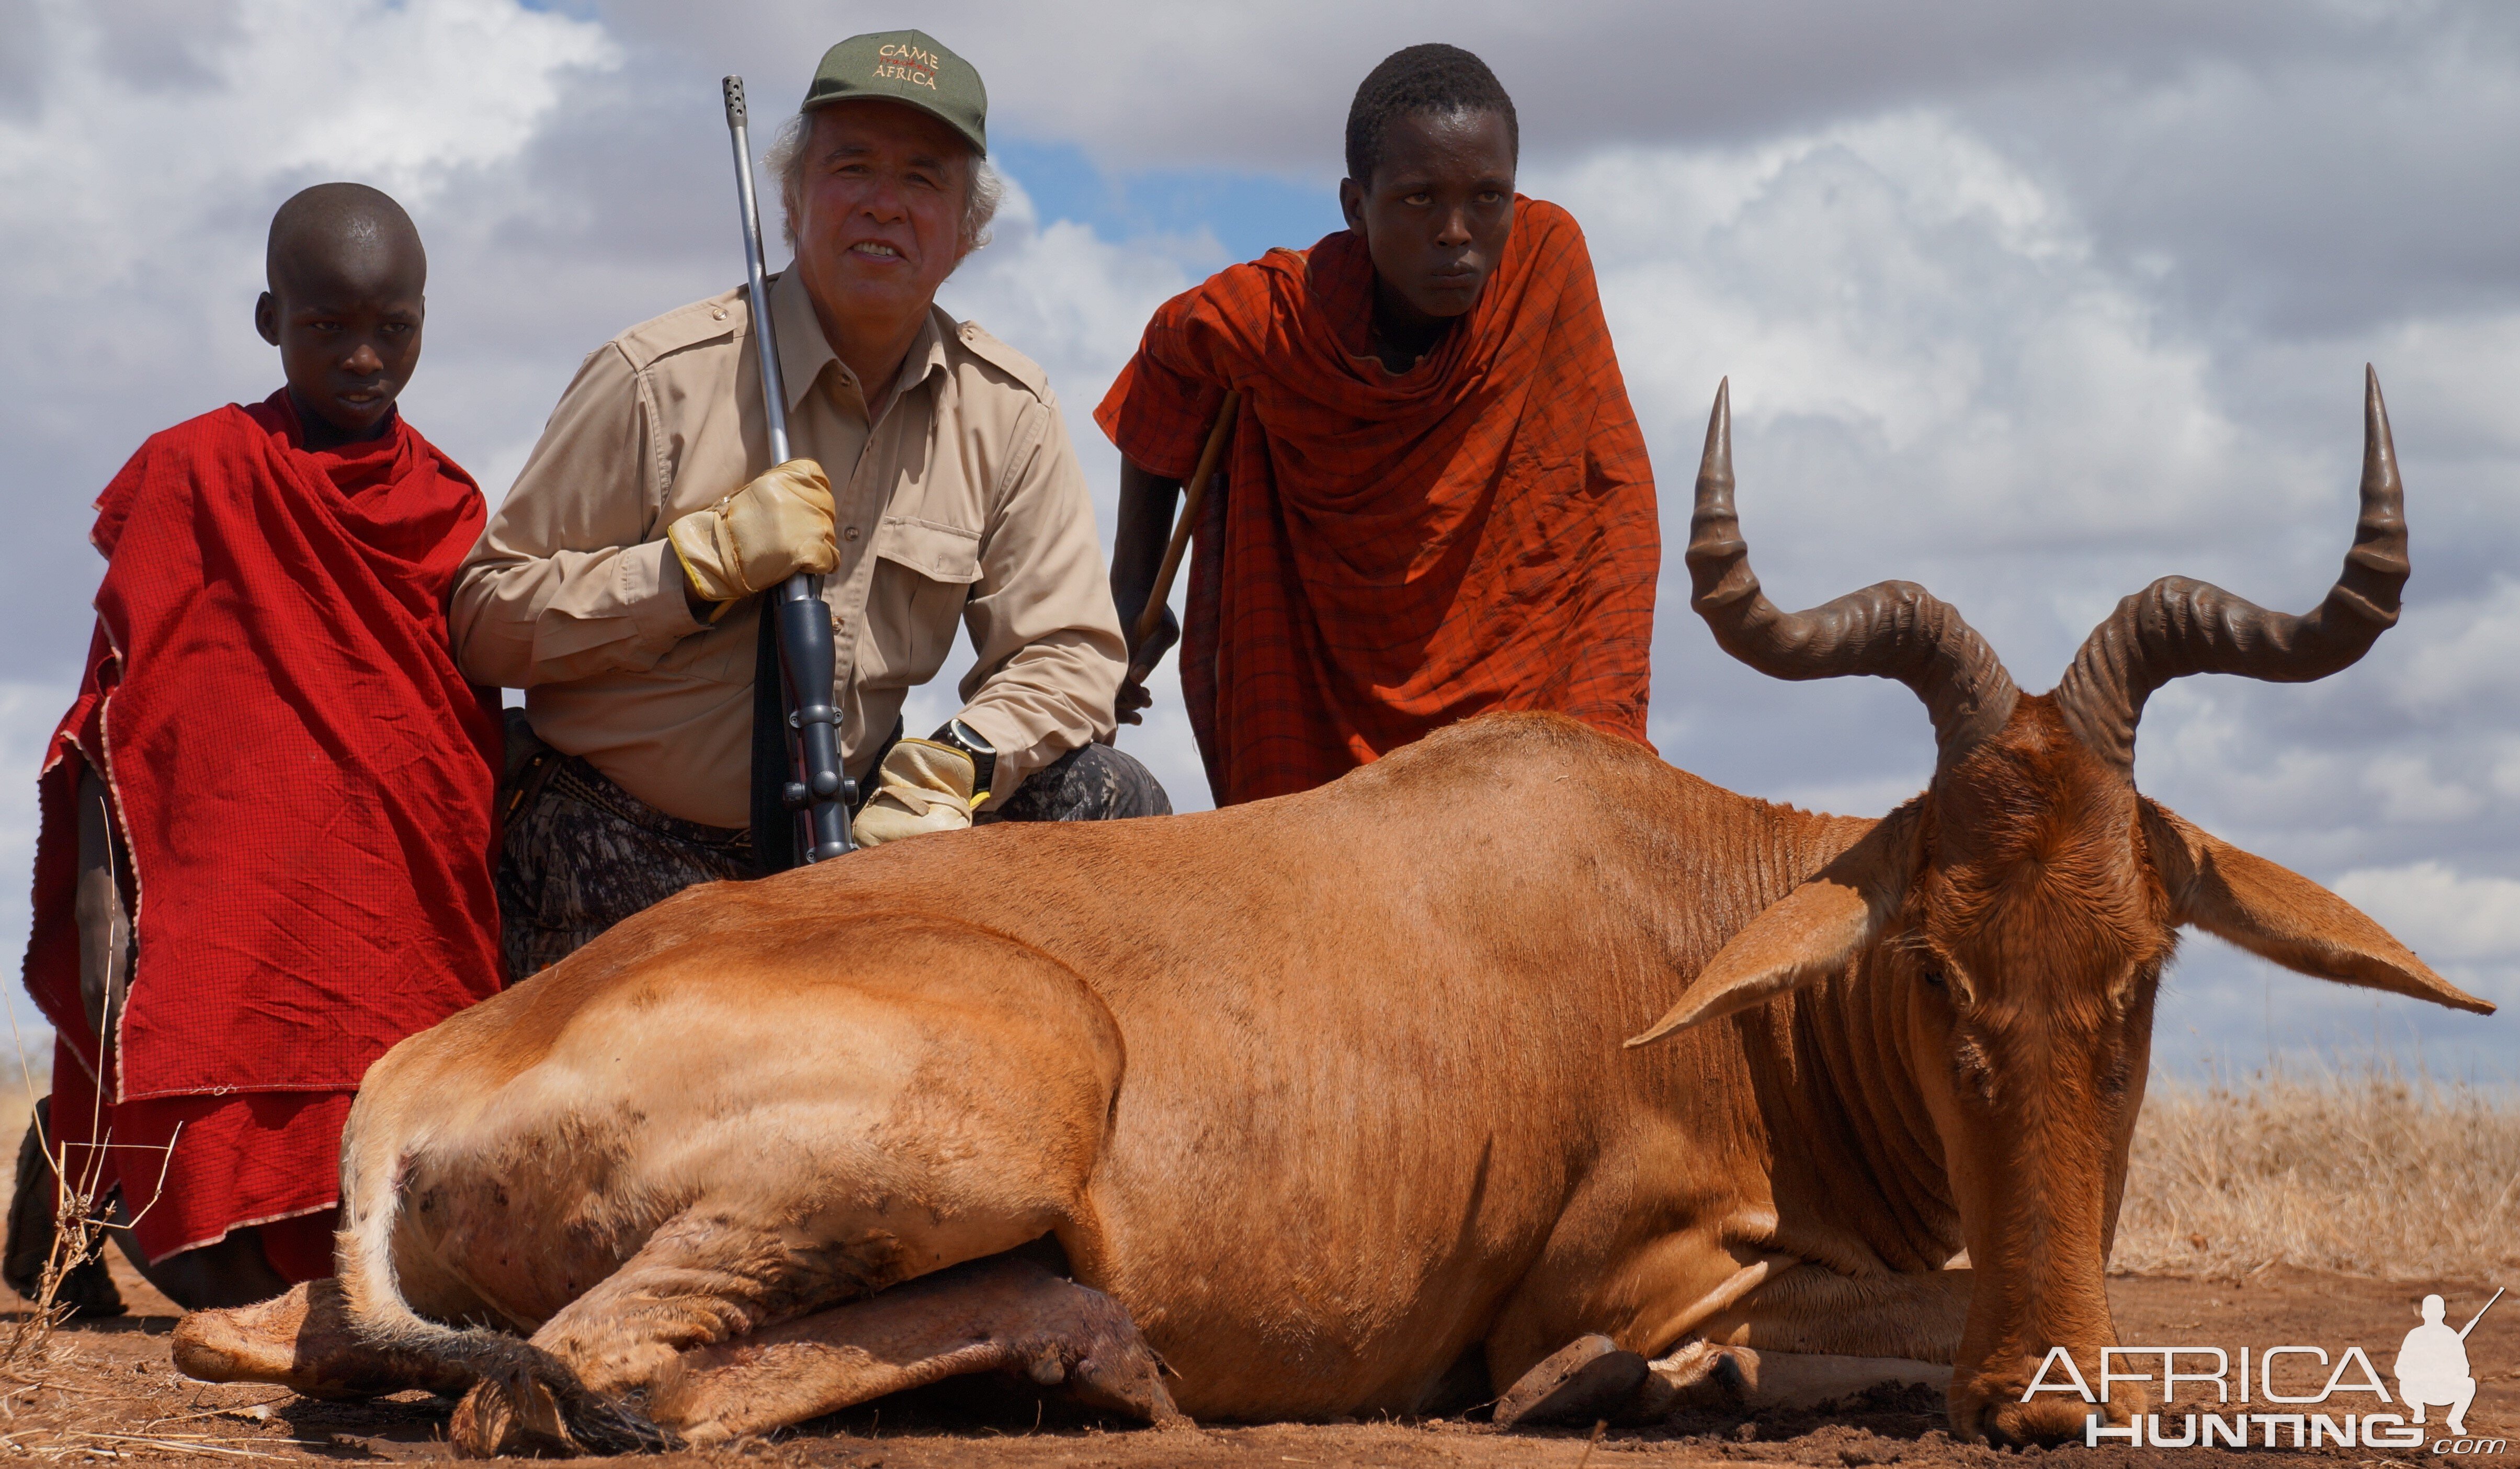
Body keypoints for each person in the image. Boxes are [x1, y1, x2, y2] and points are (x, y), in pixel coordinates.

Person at [454, 30, 1165, 980]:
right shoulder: (653, 379)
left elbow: (1073, 656)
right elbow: (485, 623)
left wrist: (956, 762)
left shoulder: (1010, 410)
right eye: (851, 166)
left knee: (1110, 797)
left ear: (968, 230)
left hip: (855, 842)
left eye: (922, 178)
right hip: (624, 839)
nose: (883, 201)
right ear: (792, 201)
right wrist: (689, 570)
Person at [7, 185, 504, 1313]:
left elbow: (452, 720)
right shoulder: (194, 473)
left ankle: (72, 1151)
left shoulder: (449, 507)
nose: (368, 358)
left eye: (397, 326)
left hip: (396, 901)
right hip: (228, 892)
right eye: (330, 327)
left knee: (398, 1243)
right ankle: (69, 1165)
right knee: (216, 1278)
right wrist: (97, 885)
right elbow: (113, 702)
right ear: (269, 319)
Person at [1099, 44, 1661, 806]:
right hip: (1311, 690)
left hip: (1518, 702)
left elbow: (1607, 498)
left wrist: (1602, 728)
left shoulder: (1544, 268)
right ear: (1353, 206)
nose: (1457, 232)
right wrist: (1134, 584)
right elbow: (1169, 351)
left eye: (1489, 198)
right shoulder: (1286, 319)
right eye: (1418, 199)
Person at [2395, 1293, 2478, 1436]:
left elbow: (2464, 1369)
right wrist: (2421, 1373)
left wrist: (2446, 1372)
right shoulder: (2415, 1336)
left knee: (2469, 1384)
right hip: (2419, 1389)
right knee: (2404, 1383)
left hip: (2444, 1389)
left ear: (2422, 1314)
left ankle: (2455, 1420)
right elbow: (2400, 1369)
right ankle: (2419, 1410)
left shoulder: (2451, 1337)